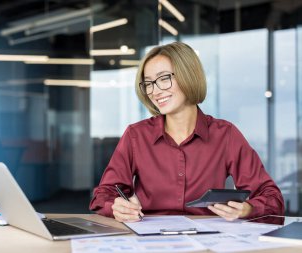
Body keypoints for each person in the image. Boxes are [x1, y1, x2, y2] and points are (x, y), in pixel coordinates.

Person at [89, 41, 284, 222]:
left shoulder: (225, 134)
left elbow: (272, 197)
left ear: (188, 75)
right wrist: (114, 206)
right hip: (149, 240)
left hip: (211, 240)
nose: (155, 91)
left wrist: (247, 209)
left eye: (164, 78)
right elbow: (103, 194)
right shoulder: (136, 136)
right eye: (148, 83)